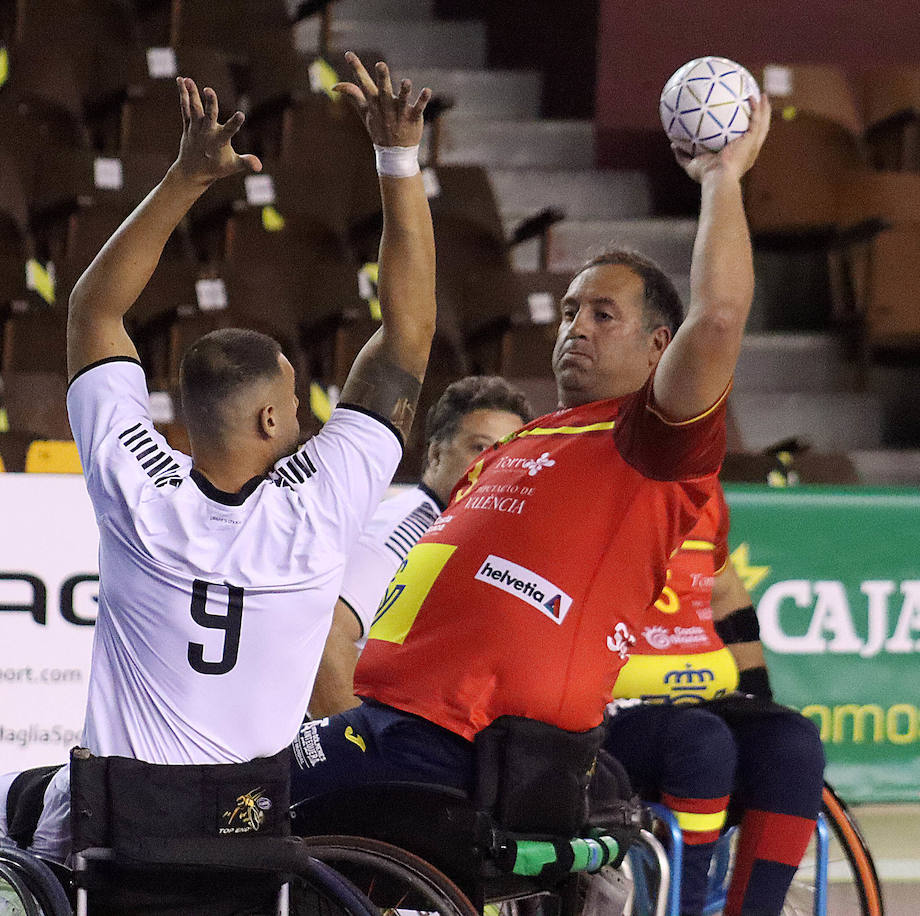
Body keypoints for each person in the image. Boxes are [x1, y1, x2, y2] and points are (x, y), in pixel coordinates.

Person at [0, 55, 436, 893]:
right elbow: (409, 332)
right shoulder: (324, 507)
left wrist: (184, 178)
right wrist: (397, 159)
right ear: (272, 421)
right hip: (247, 829)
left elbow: (93, 311)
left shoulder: (139, 493)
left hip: (115, 827)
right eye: (297, 392)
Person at [290, 95, 773, 800]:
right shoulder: (517, 442)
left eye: (603, 315)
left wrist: (721, 177)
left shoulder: (649, 442)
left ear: (658, 349)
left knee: (240, 808)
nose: (576, 326)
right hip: (397, 720)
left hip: (473, 744)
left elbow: (721, 316)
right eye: (571, 310)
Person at [604, 482, 825, 916]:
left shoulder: (701, 491)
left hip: (694, 705)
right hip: (605, 713)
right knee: (703, 742)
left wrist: (758, 701)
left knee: (792, 744)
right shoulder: (597, 491)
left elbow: (724, 591)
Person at [308, 375, 532, 718]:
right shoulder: (401, 534)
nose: (496, 465)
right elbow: (323, 636)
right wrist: (359, 753)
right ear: (436, 453)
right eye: (480, 447)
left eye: (510, 453)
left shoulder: (470, 534)